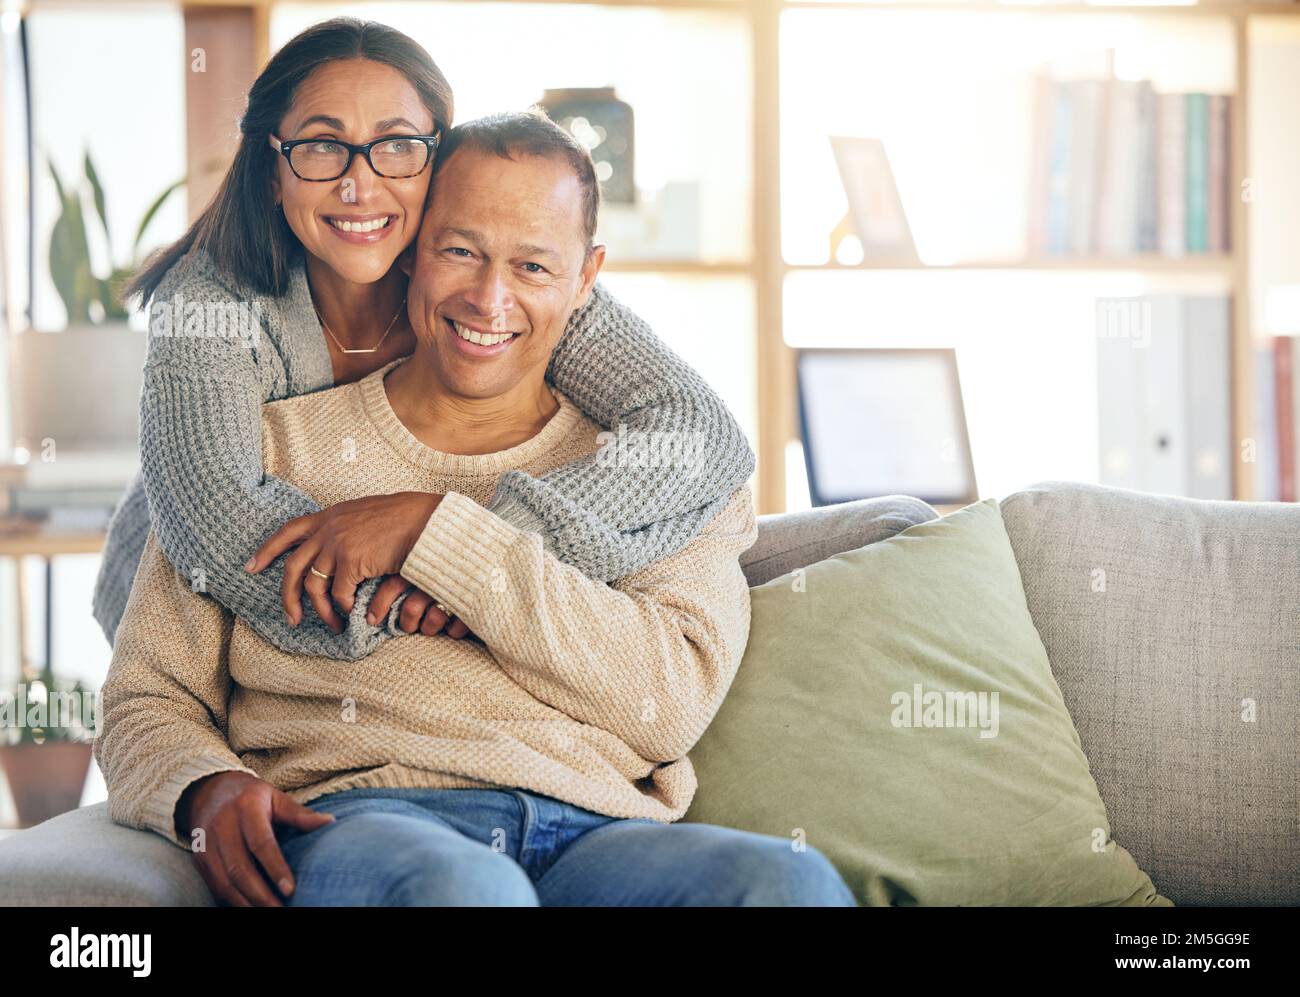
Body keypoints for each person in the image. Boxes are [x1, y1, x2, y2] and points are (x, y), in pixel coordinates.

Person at [93, 109, 856, 907]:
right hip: (369, 822)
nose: (490, 299)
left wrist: (439, 535)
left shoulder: (655, 471)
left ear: (587, 277)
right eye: (461, 251)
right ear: (411, 251)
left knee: (787, 881)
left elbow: (662, 704)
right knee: (466, 889)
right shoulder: (270, 452)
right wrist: (198, 786)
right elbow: (148, 694)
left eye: (533, 266)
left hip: (600, 837)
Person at [91, 16, 754, 659]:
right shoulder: (208, 300)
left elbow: (701, 436)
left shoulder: (501, 278)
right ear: (273, 169)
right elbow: (217, 532)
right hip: (186, 605)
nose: (360, 184)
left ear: (439, 163)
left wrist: (444, 537)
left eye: (397, 145)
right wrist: (443, 585)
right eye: (322, 145)